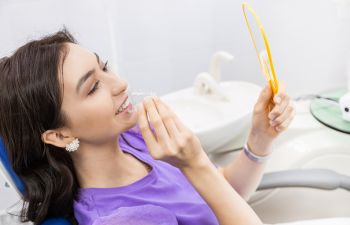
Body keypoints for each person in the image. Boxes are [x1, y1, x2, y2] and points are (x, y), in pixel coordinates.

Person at [0, 29, 295, 225]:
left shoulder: (134, 137)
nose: (120, 84)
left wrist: (259, 139)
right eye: (92, 88)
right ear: (61, 135)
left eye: (104, 67)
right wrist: (196, 164)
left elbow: (221, 195)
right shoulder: (123, 219)